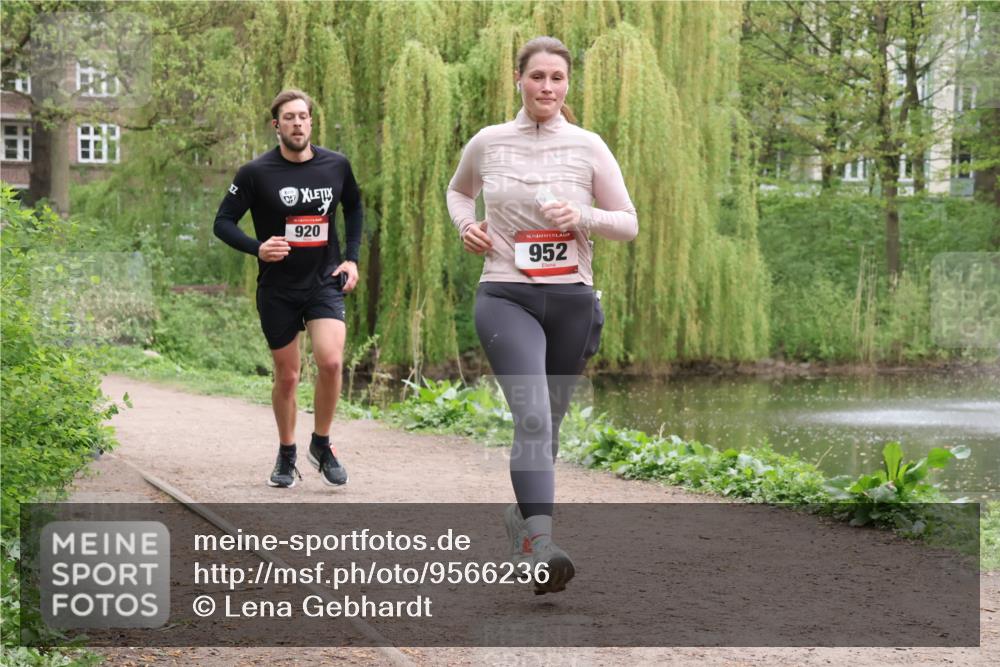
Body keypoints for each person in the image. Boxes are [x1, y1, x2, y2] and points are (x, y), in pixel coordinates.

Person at [446, 37, 638, 594]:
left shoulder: (588, 146)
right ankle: (541, 544)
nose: (547, 87)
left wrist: (581, 214)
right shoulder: (488, 142)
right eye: (537, 77)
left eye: (557, 78)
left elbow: (627, 222)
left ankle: (521, 521)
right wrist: (467, 226)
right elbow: (458, 193)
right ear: (518, 79)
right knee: (530, 417)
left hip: (573, 300)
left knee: (545, 429)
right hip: (506, 294)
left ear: (567, 84)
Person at [213, 89, 362, 489]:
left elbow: (354, 205)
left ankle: (322, 444)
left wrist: (351, 258)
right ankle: (286, 451)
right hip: (278, 288)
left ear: (312, 122)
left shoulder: (336, 165)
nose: (298, 123)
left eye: (304, 116)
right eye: (289, 118)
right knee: (289, 375)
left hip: (324, 281)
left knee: (330, 362)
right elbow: (223, 222)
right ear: (276, 126)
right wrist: (257, 247)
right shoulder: (255, 172)